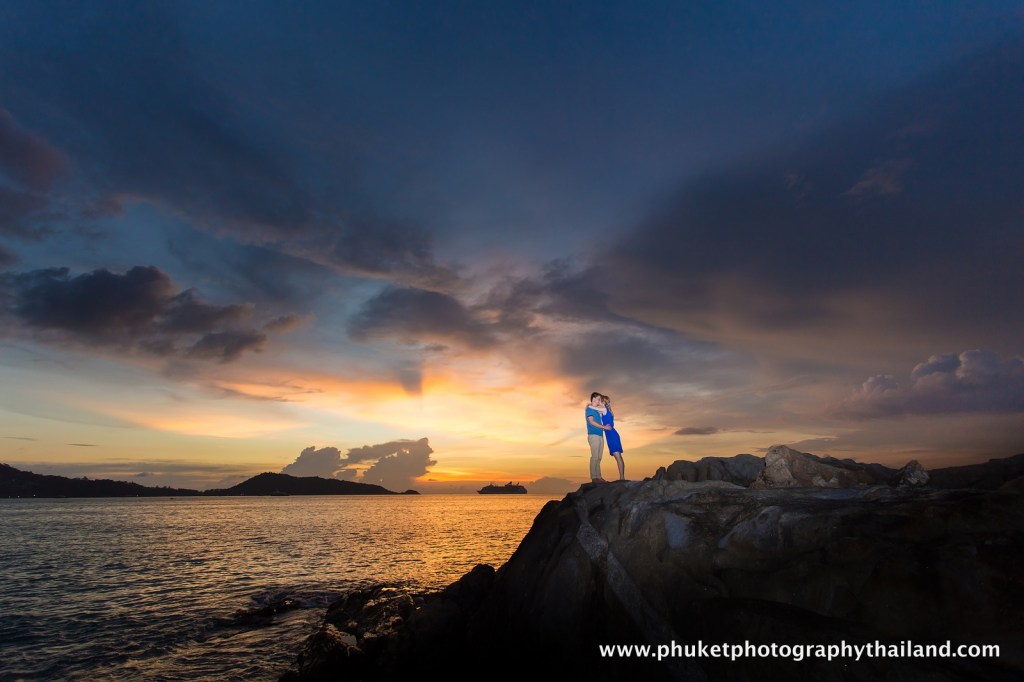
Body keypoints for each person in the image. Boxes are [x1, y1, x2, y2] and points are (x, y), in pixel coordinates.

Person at [585, 392, 609, 483]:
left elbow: (604, 408)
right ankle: (594, 477)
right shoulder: (589, 410)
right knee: (595, 456)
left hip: (600, 435)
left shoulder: (595, 410)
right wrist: (604, 427)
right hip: (593, 435)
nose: (600, 401)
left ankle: (598, 476)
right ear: (594, 399)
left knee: (599, 457)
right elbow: (591, 422)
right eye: (599, 399)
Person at [601, 395, 625, 481]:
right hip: (612, 435)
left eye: (600, 400)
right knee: (619, 457)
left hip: (611, 435)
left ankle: (622, 478)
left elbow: (593, 407)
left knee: (618, 457)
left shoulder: (604, 409)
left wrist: (589, 405)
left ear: (604, 402)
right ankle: (622, 477)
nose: (599, 402)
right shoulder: (609, 411)